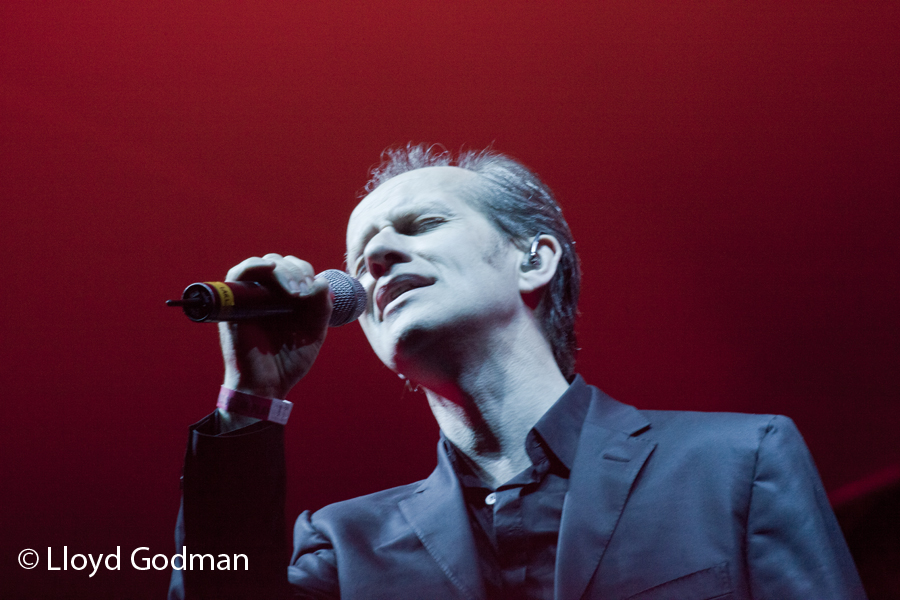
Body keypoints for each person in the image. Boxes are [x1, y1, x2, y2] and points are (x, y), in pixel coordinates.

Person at [169, 145, 865, 599]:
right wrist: (250, 400)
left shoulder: (734, 463)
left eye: (419, 224)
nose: (377, 253)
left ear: (534, 259)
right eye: (360, 258)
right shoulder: (346, 546)